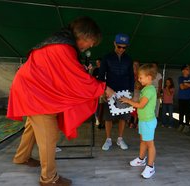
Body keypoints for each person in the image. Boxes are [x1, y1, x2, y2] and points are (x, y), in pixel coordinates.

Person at [7, 16, 114, 186]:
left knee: (32, 128)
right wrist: (103, 88)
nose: (90, 46)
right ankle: (48, 179)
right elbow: (77, 79)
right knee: (49, 135)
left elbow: (69, 73)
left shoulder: (61, 43)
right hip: (35, 93)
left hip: (30, 88)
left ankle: (22, 157)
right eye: (91, 42)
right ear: (83, 36)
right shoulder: (63, 47)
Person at [120, 64, 157, 179]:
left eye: (141, 77)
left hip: (148, 122)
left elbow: (141, 105)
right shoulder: (145, 89)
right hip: (143, 120)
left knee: (150, 144)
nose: (138, 79)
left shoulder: (149, 90)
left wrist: (128, 101)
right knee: (143, 141)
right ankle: (141, 160)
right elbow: (139, 102)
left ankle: (150, 167)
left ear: (149, 77)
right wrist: (130, 100)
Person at [98, 33, 134, 151]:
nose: (121, 49)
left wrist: (131, 92)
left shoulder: (129, 59)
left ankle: (120, 138)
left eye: (124, 47)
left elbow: (131, 76)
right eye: (119, 46)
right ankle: (108, 139)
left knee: (123, 116)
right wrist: (103, 90)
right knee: (108, 117)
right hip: (110, 91)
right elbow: (101, 76)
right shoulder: (107, 57)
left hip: (125, 91)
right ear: (114, 43)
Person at [177, 64, 190, 133]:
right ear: (183, 71)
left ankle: (187, 126)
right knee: (181, 112)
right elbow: (182, 87)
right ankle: (181, 124)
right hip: (181, 98)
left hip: (189, 98)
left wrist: (186, 85)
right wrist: (189, 85)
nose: (189, 70)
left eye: (189, 69)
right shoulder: (180, 78)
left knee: (188, 112)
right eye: (187, 69)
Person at [129, 60, 141, 128]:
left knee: (138, 108)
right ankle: (131, 122)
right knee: (131, 108)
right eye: (134, 64)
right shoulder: (130, 73)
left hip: (138, 92)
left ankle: (136, 123)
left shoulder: (140, 74)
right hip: (130, 92)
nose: (135, 66)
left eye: (137, 65)